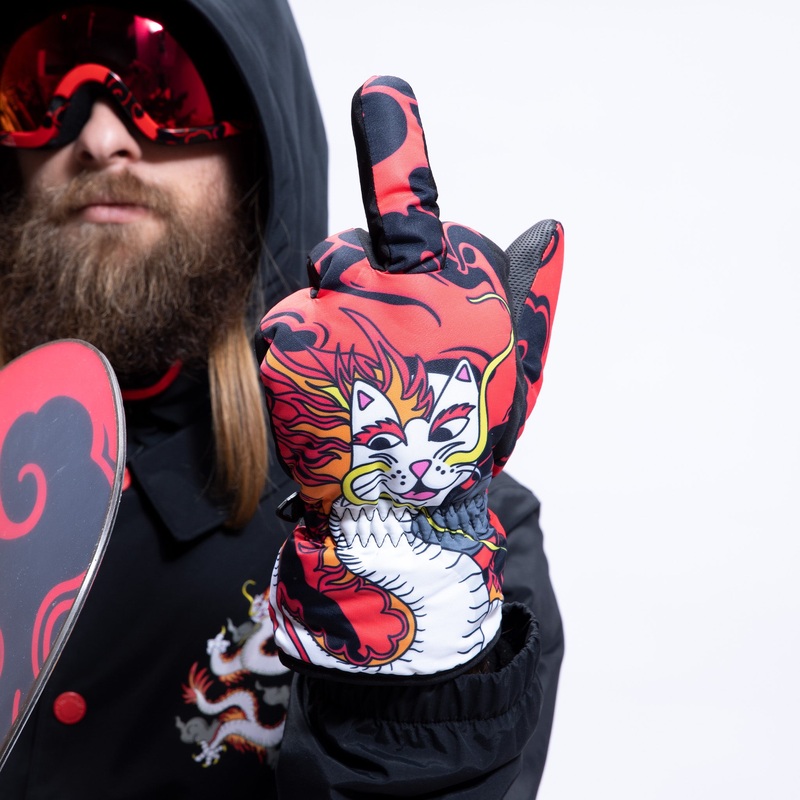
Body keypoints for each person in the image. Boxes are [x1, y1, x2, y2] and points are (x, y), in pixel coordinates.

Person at [0, 1, 563, 797]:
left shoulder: (466, 532)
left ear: (260, 146)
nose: (97, 136)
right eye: (41, 85)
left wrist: (412, 653)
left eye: (166, 87)